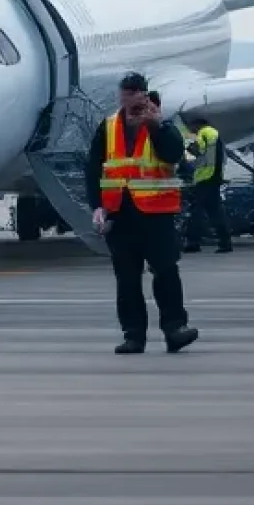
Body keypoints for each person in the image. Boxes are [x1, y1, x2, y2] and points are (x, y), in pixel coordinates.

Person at [85, 73, 199, 354]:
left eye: (136, 93)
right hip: (120, 213)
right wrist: (96, 206)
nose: (131, 99)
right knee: (127, 279)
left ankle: (175, 328)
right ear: (121, 96)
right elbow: (92, 167)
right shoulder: (109, 127)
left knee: (166, 272)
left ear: (145, 95)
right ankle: (133, 335)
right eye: (126, 93)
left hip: (156, 212)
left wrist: (155, 124)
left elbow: (174, 155)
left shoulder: (161, 123)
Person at [182, 113, 232, 253]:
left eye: (191, 127)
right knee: (215, 211)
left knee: (196, 210)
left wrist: (188, 142)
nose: (190, 129)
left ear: (197, 125)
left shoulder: (203, 133)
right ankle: (225, 242)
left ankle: (193, 242)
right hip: (214, 177)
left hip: (205, 178)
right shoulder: (214, 134)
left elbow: (193, 154)